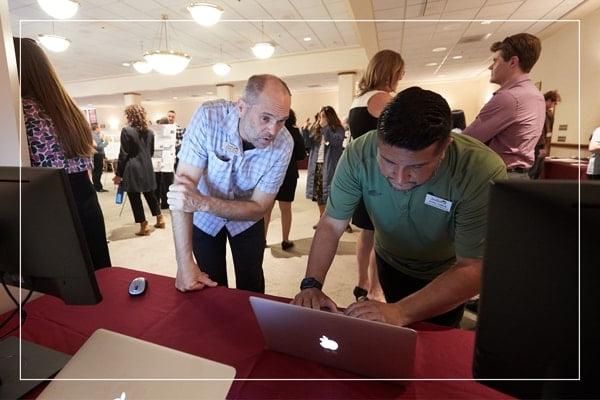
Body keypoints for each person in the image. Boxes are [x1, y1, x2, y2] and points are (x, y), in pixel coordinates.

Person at [292, 87, 507, 328]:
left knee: (434, 340)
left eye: (416, 167)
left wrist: (401, 312)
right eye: (389, 162)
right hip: (389, 259)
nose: (400, 178)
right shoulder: (358, 152)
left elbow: (473, 267)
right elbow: (331, 224)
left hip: (445, 273)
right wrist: (311, 284)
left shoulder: (480, 169)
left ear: (445, 147)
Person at [167, 74, 293, 294]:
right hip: (204, 221)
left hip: (246, 220)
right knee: (210, 285)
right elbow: (182, 192)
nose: (273, 131)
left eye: (281, 120)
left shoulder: (284, 145)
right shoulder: (208, 118)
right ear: (241, 108)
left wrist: (203, 203)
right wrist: (184, 262)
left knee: (252, 283)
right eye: (265, 118)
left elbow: (259, 208)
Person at [14, 37, 111, 270]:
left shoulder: (21, 111)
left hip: (48, 203)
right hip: (84, 197)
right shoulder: (69, 111)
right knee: (95, 275)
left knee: (59, 288)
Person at [347, 49, 405, 303]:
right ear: (391, 72)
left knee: (366, 232)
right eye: (400, 74)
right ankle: (375, 288)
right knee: (380, 233)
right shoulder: (384, 99)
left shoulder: (357, 100)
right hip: (380, 173)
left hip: (361, 171)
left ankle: (362, 282)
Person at [463, 33, 545, 180]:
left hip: (500, 177)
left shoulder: (509, 97)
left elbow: (467, 140)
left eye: (495, 61)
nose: (490, 67)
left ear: (513, 62)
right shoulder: (536, 95)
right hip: (520, 176)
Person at [113, 105, 165, 236]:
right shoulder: (150, 132)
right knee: (150, 194)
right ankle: (160, 218)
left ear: (130, 116)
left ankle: (144, 225)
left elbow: (123, 154)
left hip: (132, 168)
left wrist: (118, 174)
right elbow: (151, 152)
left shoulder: (126, 131)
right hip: (147, 167)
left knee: (134, 196)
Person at [264, 109, 306, 250]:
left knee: (266, 210)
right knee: (286, 209)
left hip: (270, 173)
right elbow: (301, 155)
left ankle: (262, 239)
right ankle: (285, 240)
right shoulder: (294, 133)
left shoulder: (270, 130)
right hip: (289, 175)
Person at [305, 106, 346, 229]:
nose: (321, 119)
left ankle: (341, 220)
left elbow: (336, 141)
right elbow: (308, 144)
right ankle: (322, 218)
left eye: (323, 116)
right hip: (317, 165)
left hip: (331, 166)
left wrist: (326, 128)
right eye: (320, 116)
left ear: (330, 117)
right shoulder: (316, 129)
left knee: (333, 194)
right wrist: (306, 131)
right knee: (319, 195)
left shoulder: (338, 129)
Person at [529, 90, 561, 179]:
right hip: (535, 145)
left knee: (538, 171)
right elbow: (537, 130)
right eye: (554, 103)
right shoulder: (537, 110)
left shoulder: (550, 115)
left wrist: (546, 146)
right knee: (532, 170)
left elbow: (549, 132)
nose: (553, 106)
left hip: (543, 145)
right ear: (549, 100)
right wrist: (542, 147)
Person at [153, 116, 175, 209]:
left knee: (157, 182)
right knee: (167, 183)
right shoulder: (171, 132)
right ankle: (165, 202)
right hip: (168, 160)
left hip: (159, 159)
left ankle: (157, 201)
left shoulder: (156, 133)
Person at [91, 122, 109, 192]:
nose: (100, 129)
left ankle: (98, 186)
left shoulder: (97, 135)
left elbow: (99, 143)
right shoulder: (93, 135)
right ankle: (97, 187)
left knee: (98, 171)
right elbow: (98, 147)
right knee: (97, 171)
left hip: (99, 155)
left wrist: (102, 139)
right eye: (99, 127)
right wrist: (106, 142)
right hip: (97, 155)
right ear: (96, 128)